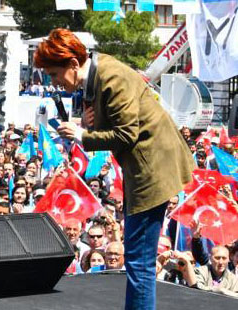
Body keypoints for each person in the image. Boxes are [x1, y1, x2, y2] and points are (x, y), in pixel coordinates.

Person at [38, 28, 195, 310]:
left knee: (139, 262)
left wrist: (82, 136)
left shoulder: (111, 77)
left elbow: (126, 134)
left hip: (153, 169)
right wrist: (90, 126)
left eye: (54, 74)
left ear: (73, 64)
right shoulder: (100, 74)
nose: (55, 82)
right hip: (146, 167)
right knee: (138, 260)